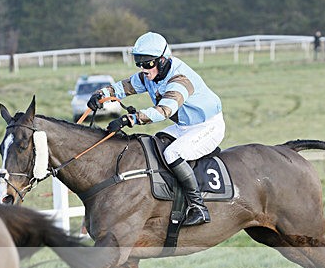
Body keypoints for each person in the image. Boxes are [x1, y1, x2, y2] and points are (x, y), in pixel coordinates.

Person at [87, 32, 225, 227]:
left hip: (208, 126)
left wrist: (130, 119)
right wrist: (100, 95)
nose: (143, 69)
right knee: (154, 144)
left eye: (148, 63)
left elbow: (164, 111)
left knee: (172, 153)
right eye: (139, 63)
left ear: (162, 60)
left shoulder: (180, 79)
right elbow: (125, 86)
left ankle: (198, 207)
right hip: (184, 126)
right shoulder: (151, 74)